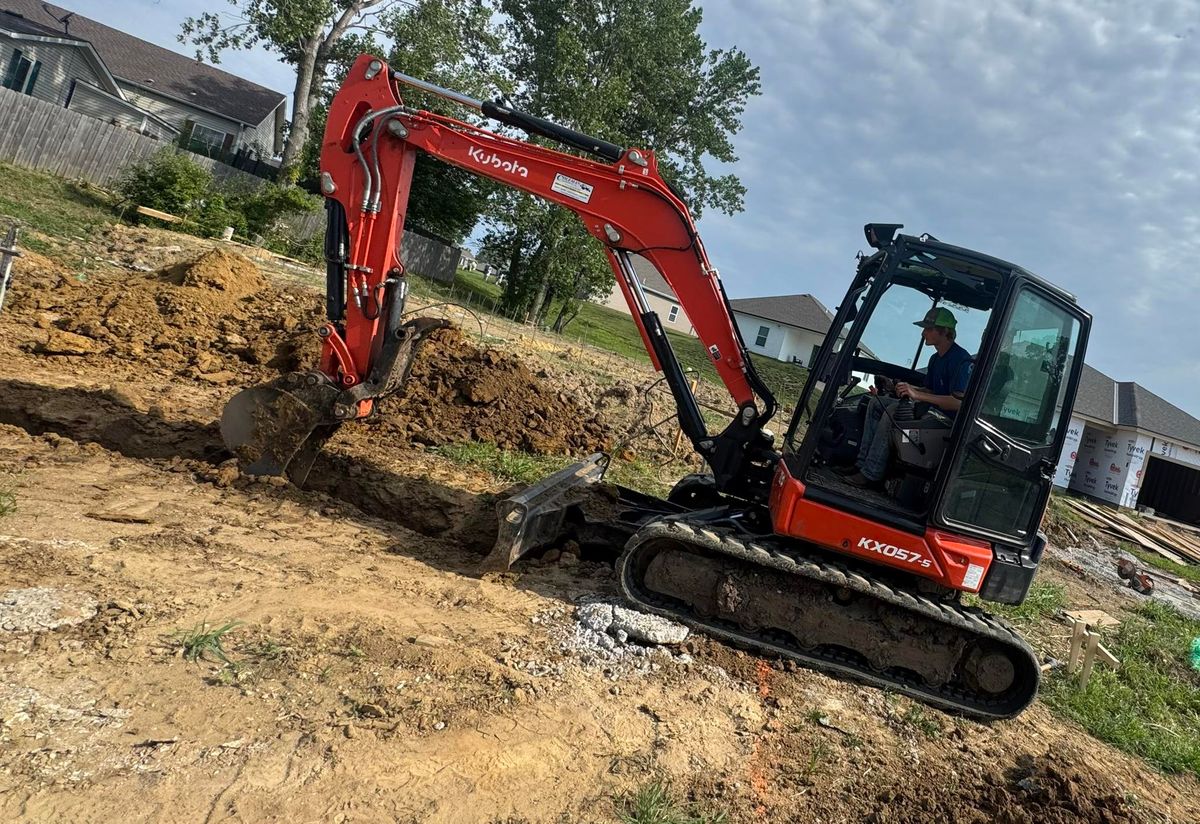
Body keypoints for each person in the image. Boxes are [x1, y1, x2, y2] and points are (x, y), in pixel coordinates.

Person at [840, 307, 973, 487]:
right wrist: (906, 388)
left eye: (928, 329)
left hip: (946, 421)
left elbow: (957, 402)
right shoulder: (936, 359)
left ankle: (871, 475)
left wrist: (917, 394)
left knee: (892, 411)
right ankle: (861, 464)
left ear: (944, 331)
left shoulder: (961, 359)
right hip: (929, 410)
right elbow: (932, 391)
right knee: (875, 404)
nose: (923, 333)